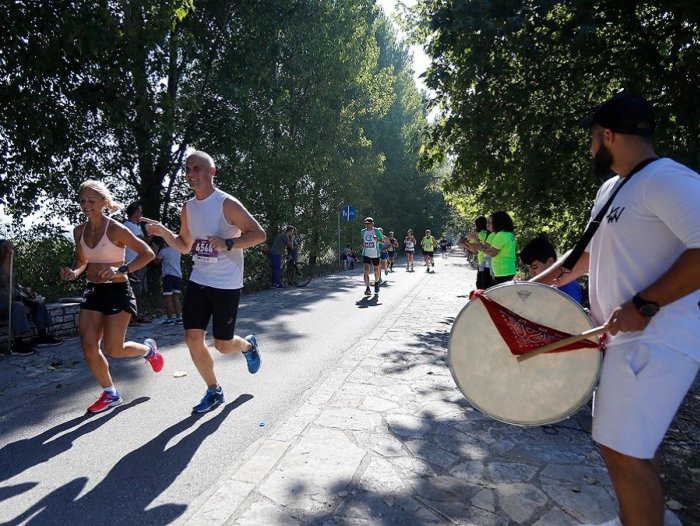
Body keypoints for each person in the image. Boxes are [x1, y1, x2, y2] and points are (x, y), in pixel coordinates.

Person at [532, 93, 700, 526]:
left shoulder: (667, 179)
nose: (590, 148)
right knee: (632, 446)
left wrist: (646, 304)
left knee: (624, 451)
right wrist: (527, 290)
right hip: (623, 339)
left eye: (592, 138)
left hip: (660, 338)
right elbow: (583, 255)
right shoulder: (613, 188)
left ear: (608, 135)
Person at [142, 151, 266, 414]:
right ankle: (214, 390)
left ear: (212, 172)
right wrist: (164, 232)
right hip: (199, 280)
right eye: (188, 169)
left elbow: (259, 234)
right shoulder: (188, 208)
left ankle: (247, 346)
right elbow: (185, 246)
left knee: (222, 345)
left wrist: (228, 242)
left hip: (227, 283)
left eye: (197, 168)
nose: (191, 174)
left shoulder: (226, 204)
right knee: (192, 338)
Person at [59, 180, 163, 414]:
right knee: (88, 344)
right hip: (93, 291)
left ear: (104, 203)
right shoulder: (80, 231)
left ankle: (148, 351)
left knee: (114, 349)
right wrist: (73, 272)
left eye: (91, 201)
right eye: (82, 201)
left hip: (117, 291)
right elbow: (82, 261)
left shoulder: (116, 229)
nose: (86, 205)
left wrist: (122, 269)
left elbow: (147, 253)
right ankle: (110, 393)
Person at [0, 240, 63, 356]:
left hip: (13, 300)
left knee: (37, 303)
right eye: (8, 250)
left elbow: (15, 286)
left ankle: (42, 335)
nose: (11, 252)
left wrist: (26, 293)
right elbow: (7, 291)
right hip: (3, 304)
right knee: (18, 307)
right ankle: (18, 343)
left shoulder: (11, 268)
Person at [520, 236, 582, 303]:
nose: (531, 272)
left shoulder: (568, 287)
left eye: (534, 267)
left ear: (550, 261)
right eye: (528, 268)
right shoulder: (542, 285)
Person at [468, 211, 516, 285]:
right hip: (508, 269)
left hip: (502, 271)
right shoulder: (509, 234)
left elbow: (492, 253)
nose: (488, 225)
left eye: (490, 223)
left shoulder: (500, 235)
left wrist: (479, 245)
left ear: (498, 223)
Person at [123, 202, 151, 323]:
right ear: (134, 213)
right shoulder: (130, 226)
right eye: (139, 211)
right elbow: (143, 243)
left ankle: (136, 315)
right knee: (134, 290)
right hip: (133, 262)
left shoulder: (133, 226)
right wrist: (151, 233)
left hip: (137, 262)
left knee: (137, 290)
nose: (141, 214)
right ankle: (132, 317)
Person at [155, 240, 183, 325]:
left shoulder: (164, 251)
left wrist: (155, 251)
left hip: (168, 276)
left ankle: (169, 319)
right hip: (178, 275)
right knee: (176, 298)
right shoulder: (178, 250)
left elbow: (156, 262)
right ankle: (179, 318)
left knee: (168, 298)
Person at [360, 217, 383, 295]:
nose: (367, 225)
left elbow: (383, 242)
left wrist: (377, 240)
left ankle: (376, 283)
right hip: (366, 253)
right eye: (366, 224)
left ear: (372, 223)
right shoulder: (363, 231)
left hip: (375, 254)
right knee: (366, 270)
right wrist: (362, 245)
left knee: (376, 270)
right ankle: (367, 288)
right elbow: (363, 240)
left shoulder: (376, 231)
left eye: (368, 223)